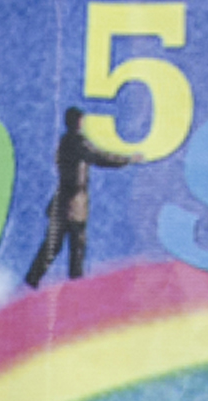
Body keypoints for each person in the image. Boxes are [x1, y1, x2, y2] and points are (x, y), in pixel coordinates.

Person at [23, 105, 137, 288]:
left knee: (58, 245)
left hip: (64, 200)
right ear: (77, 122)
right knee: (74, 246)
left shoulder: (64, 141)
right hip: (74, 202)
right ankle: (73, 285)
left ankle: (34, 280)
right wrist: (128, 159)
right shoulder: (78, 142)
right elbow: (100, 157)